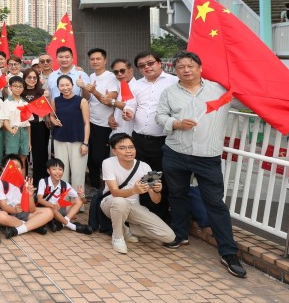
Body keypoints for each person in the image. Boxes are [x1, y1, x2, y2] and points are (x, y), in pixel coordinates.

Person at [156, 51, 246, 278]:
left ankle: (228, 252)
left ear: (200, 67)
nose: (186, 70)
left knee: (215, 202)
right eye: (181, 67)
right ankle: (180, 233)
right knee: (177, 194)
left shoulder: (219, 90)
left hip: (208, 155)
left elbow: (253, 101)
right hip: (176, 151)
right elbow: (159, 117)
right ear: (175, 70)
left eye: (190, 66)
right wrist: (175, 123)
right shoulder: (169, 93)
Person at [101, 134, 175, 254]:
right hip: (110, 203)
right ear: (114, 151)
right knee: (120, 202)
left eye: (131, 147)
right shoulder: (108, 163)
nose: (128, 151)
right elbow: (115, 193)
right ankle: (118, 237)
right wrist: (134, 190)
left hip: (133, 206)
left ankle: (128, 229)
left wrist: (156, 190)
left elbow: (156, 200)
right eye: (123, 148)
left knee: (168, 236)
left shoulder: (144, 166)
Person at [123, 51, 178, 172]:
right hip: (139, 139)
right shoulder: (136, 85)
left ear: (159, 63)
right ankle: (145, 192)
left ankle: (160, 191)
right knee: (141, 172)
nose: (147, 67)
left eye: (150, 63)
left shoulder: (174, 82)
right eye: (142, 65)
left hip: (163, 140)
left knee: (160, 173)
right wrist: (129, 112)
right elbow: (131, 105)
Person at [79, 48, 119, 197]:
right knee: (90, 157)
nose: (95, 62)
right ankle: (96, 187)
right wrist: (85, 88)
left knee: (101, 158)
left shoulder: (111, 78)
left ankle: (106, 189)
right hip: (91, 122)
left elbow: (110, 102)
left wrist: (94, 91)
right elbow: (88, 98)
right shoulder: (90, 76)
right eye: (92, 59)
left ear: (105, 60)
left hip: (105, 125)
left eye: (98, 59)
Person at [49, 75, 90, 194]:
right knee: (60, 172)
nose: (65, 88)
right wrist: (53, 121)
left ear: (72, 85)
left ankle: (78, 202)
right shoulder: (55, 100)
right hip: (60, 139)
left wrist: (85, 143)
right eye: (62, 85)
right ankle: (63, 200)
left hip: (78, 140)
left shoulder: (81, 101)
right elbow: (52, 115)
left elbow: (87, 123)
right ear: (58, 87)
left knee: (78, 172)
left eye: (67, 85)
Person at [0, 158, 52, 238]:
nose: (16, 169)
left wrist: (30, 196)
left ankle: (18, 230)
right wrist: (14, 210)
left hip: (22, 213)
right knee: (0, 216)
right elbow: (3, 206)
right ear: (4, 168)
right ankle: (32, 226)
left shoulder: (25, 182)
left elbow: (32, 210)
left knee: (49, 212)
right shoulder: (0, 182)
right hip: (8, 213)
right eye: (12, 166)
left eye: (18, 167)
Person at [36, 158, 92, 234]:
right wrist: (52, 205)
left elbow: (83, 201)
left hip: (59, 209)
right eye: (54, 169)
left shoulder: (65, 185)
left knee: (78, 200)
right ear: (48, 171)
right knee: (51, 209)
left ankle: (62, 223)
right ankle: (73, 227)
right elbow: (39, 200)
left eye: (60, 169)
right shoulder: (43, 182)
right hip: (46, 209)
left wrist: (82, 196)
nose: (57, 172)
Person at [19, 68, 51, 186]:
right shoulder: (20, 92)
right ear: (24, 79)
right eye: (29, 77)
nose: (32, 80)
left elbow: (47, 110)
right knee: (24, 154)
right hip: (23, 126)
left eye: (34, 77)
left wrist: (48, 118)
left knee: (40, 155)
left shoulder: (42, 92)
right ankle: (24, 183)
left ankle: (40, 184)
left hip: (40, 126)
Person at [1, 75, 31, 172]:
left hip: (24, 132)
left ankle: (22, 185)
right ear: (10, 87)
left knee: (23, 158)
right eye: (15, 86)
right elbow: (5, 120)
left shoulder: (25, 103)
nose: (18, 89)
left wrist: (29, 141)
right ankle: (10, 184)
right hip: (12, 132)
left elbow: (28, 124)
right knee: (11, 159)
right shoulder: (6, 102)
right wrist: (11, 130)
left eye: (20, 86)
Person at [107, 59, 135, 138]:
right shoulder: (122, 85)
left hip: (129, 135)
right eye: (116, 72)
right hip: (116, 132)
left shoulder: (137, 87)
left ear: (131, 70)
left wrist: (111, 101)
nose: (119, 74)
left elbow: (129, 107)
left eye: (122, 71)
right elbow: (120, 106)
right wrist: (112, 116)